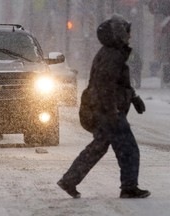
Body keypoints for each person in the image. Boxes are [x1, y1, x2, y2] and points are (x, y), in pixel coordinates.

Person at [57, 14, 151, 199]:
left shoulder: (112, 52)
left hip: (102, 108)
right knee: (128, 149)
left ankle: (69, 180)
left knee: (98, 147)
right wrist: (112, 112)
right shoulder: (112, 54)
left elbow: (119, 84)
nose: (130, 36)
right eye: (127, 32)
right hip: (107, 110)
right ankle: (129, 187)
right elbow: (105, 85)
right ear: (119, 33)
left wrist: (133, 97)